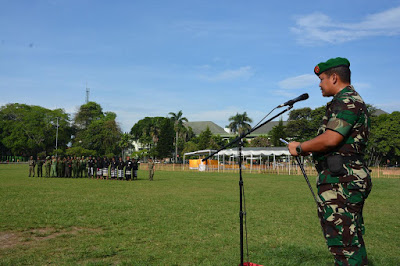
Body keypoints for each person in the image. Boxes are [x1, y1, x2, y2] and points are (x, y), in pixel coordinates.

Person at [287, 57, 372, 265]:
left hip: (342, 180)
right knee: (349, 241)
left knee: (344, 244)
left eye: (322, 78)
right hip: (343, 177)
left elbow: (331, 139)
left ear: (334, 78)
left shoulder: (346, 101)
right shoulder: (345, 100)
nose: (319, 84)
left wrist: (300, 147)